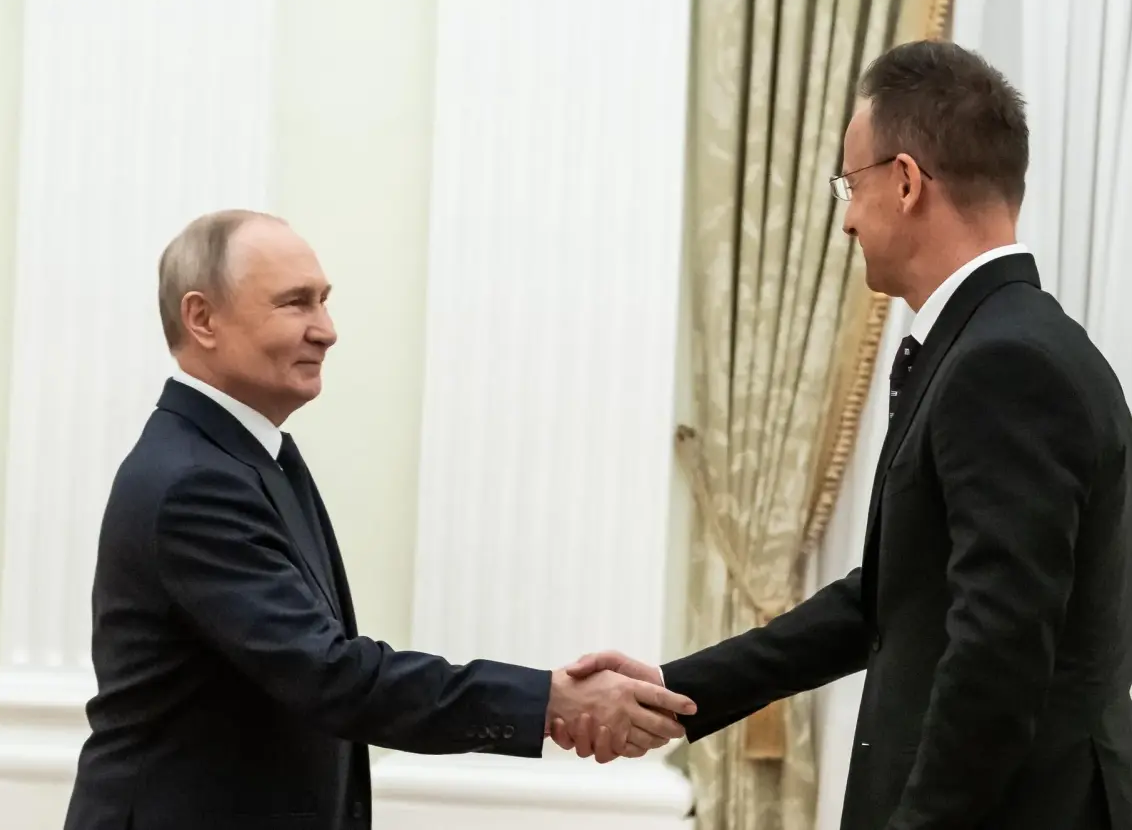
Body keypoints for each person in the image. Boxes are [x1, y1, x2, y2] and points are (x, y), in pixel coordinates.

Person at [552, 41, 1132, 829]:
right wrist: (672, 691)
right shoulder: (1006, 341)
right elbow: (886, 598)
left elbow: (999, 656)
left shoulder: (1004, 362)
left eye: (850, 183)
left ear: (906, 181)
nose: (845, 217)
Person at [63, 210, 696, 830]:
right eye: (295, 303)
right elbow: (331, 677)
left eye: (324, 301)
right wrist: (550, 699)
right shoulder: (195, 481)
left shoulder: (248, 457)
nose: (327, 330)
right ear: (202, 318)